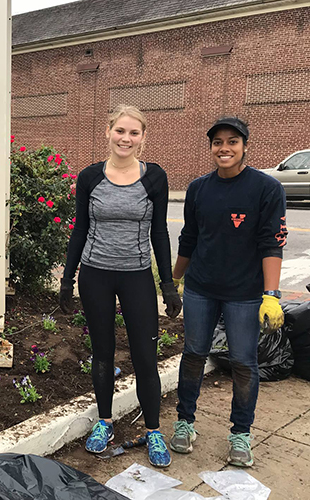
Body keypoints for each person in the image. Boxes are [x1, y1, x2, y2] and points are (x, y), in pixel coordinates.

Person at [59, 105, 182, 468]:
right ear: (108, 131)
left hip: (137, 276)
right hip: (96, 274)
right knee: (103, 354)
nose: (126, 139)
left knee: (146, 357)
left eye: (134, 133)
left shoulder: (155, 178)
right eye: (120, 131)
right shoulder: (90, 177)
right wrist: (67, 278)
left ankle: (154, 430)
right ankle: (105, 422)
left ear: (143, 137)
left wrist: (169, 285)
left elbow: (159, 232)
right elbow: (79, 228)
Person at [169, 117, 287, 467]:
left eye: (232, 141)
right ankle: (184, 423)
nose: (224, 148)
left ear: (245, 146)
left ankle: (240, 434)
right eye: (217, 142)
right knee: (192, 355)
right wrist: (174, 280)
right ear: (211, 148)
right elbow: (189, 239)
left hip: (245, 294)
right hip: (201, 289)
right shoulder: (198, 189)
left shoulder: (266, 189)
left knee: (243, 363)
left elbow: (272, 243)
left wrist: (271, 294)